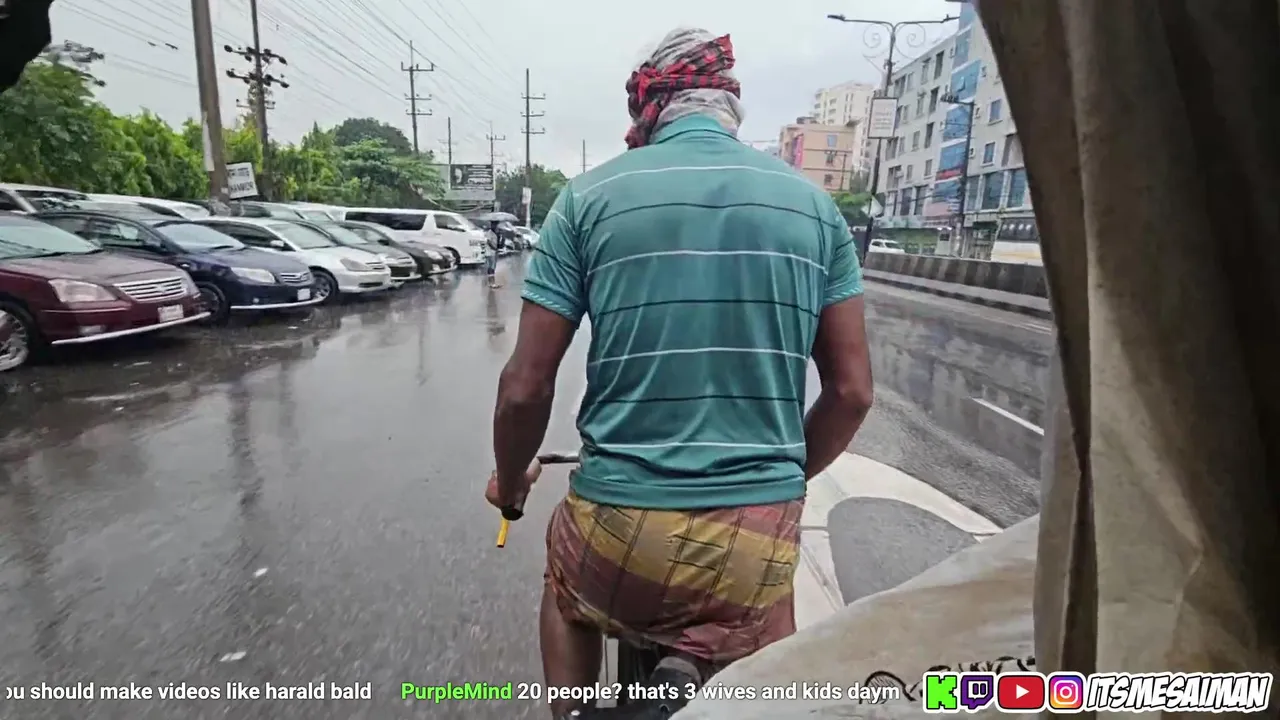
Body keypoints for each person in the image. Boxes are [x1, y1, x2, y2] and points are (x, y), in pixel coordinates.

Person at [487, 27, 874, 720]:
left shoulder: (586, 198)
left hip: (618, 528)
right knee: (764, 629)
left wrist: (511, 482)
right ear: (730, 102)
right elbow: (851, 393)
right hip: (751, 541)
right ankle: (706, 668)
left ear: (650, 105)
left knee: (568, 593)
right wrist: (773, 487)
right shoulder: (818, 210)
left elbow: (524, 388)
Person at [484, 219, 502, 287]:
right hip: (489, 252)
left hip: (494, 252)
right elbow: (488, 242)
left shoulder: (496, 233)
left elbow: (498, 243)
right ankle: (491, 283)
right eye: (494, 224)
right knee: (491, 267)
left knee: (493, 267)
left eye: (496, 225)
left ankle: (492, 283)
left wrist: (500, 236)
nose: (495, 226)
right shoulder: (489, 232)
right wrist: (494, 248)